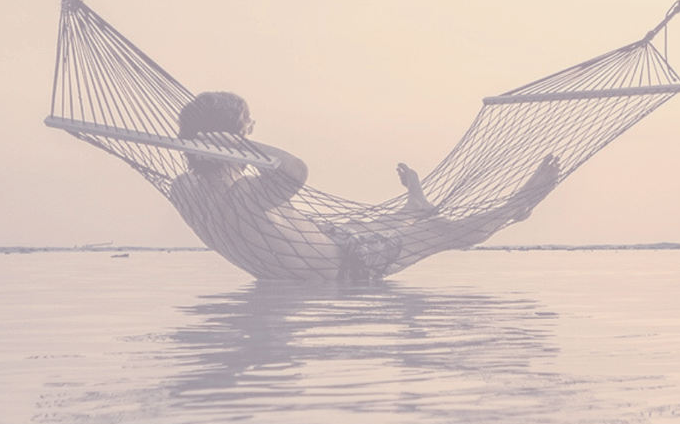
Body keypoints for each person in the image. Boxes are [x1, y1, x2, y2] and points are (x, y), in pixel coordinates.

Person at [167, 91, 559, 283]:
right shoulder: (248, 195)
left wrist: (224, 147)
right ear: (233, 137)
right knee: (442, 232)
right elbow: (296, 169)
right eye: (248, 125)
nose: (253, 129)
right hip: (349, 264)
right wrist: (241, 147)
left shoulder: (184, 190)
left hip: (329, 242)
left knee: (385, 223)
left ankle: (413, 209)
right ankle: (516, 205)